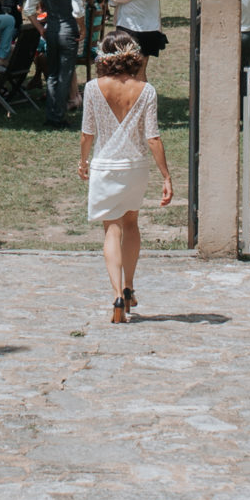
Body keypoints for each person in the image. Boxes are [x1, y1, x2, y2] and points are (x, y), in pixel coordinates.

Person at [78, 33, 173, 324]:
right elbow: (153, 137)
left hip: (106, 165)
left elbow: (88, 132)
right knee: (131, 222)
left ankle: (118, 294)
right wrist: (166, 176)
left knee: (111, 229)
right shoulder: (146, 90)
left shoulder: (93, 88)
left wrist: (83, 160)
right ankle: (130, 286)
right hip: (135, 165)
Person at [26, 0, 87, 128]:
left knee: (52, 74)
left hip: (51, 30)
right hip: (67, 31)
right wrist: (83, 29)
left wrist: (40, 29)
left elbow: (29, 8)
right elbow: (77, 11)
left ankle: (51, 114)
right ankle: (58, 116)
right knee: (65, 74)